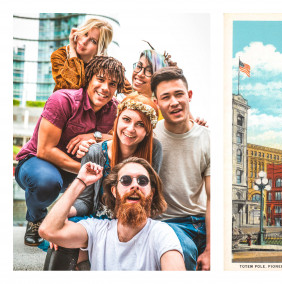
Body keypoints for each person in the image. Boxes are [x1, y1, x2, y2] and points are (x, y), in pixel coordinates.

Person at [15, 55, 126, 247]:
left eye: (112, 84)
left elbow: (122, 137)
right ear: (89, 78)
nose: (105, 88)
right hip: (37, 163)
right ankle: (35, 218)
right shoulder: (63, 100)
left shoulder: (116, 110)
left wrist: (95, 135)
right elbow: (45, 150)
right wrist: (85, 172)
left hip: (78, 170)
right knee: (46, 183)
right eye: (100, 79)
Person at [38, 158, 185, 271]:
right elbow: (48, 230)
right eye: (126, 180)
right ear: (114, 191)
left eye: (142, 180)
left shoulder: (161, 233)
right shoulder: (96, 229)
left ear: (151, 194)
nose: (135, 185)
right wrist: (81, 181)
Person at [151, 67, 211, 270]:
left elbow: (213, 198)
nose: (174, 102)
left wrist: (211, 248)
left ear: (189, 95)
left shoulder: (208, 138)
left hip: (204, 221)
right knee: (183, 254)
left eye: (179, 94)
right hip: (170, 224)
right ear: (156, 103)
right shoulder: (150, 136)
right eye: (165, 97)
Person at [51, 18, 132, 94]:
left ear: (100, 48)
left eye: (93, 41)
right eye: (85, 34)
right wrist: (72, 50)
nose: (84, 42)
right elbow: (71, 88)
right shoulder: (60, 55)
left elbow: (130, 91)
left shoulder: (105, 66)